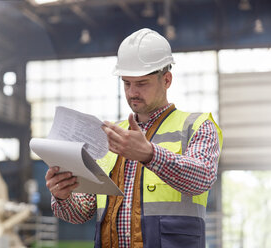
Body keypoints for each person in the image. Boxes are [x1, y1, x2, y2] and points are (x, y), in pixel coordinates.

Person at [44, 28, 222, 248]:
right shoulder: (110, 134)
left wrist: (151, 154)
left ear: (166, 80)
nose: (132, 93)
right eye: (126, 83)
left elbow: (202, 178)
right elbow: (82, 212)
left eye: (141, 83)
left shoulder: (196, 126)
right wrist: (63, 196)